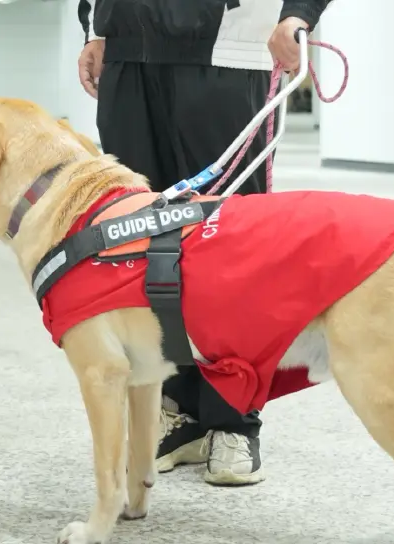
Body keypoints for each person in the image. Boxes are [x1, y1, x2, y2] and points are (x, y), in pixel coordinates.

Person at [76, 0, 333, 486]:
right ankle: (178, 410)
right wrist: (94, 28)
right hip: (129, 61)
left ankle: (234, 419)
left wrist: (298, 13)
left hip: (227, 57)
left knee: (230, 254)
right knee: (140, 251)